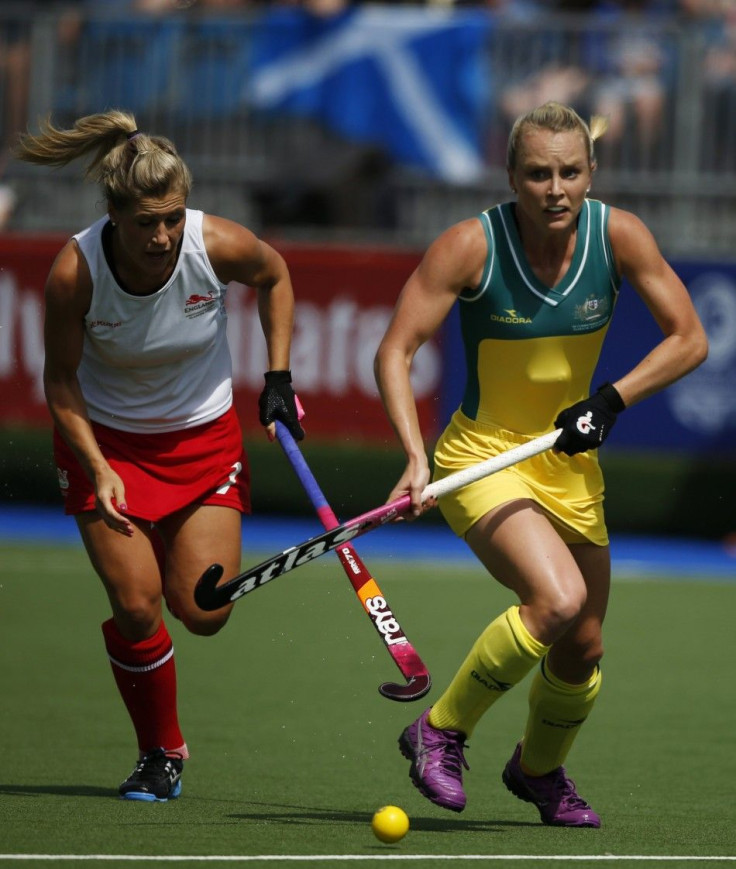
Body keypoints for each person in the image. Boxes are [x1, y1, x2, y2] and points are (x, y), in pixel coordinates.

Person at [373, 101, 707, 828]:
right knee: (555, 601)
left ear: (592, 172)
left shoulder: (618, 235)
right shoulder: (470, 245)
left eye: (569, 172)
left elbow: (689, 339)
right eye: (537, 173)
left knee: (582, 645)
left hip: (568, 464)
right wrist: (411, 455)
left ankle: (539, 770)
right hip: (483, 456)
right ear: (511, 176)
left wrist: (610, 400)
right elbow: (394, 350)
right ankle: (440, 728)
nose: (555, 189)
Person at [14, 110, 305, 802]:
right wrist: (98, 465)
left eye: (172, 216)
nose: (163, 236)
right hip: (106, 443)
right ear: (114, 214)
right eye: (145, 221)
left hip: (203, 443)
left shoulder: (216, 244)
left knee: (204, 611)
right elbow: (58, 383)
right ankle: (160, 751)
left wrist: (278, 376)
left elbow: (277, 275)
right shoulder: (74, 272)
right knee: (139, 605)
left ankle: (157, 672)